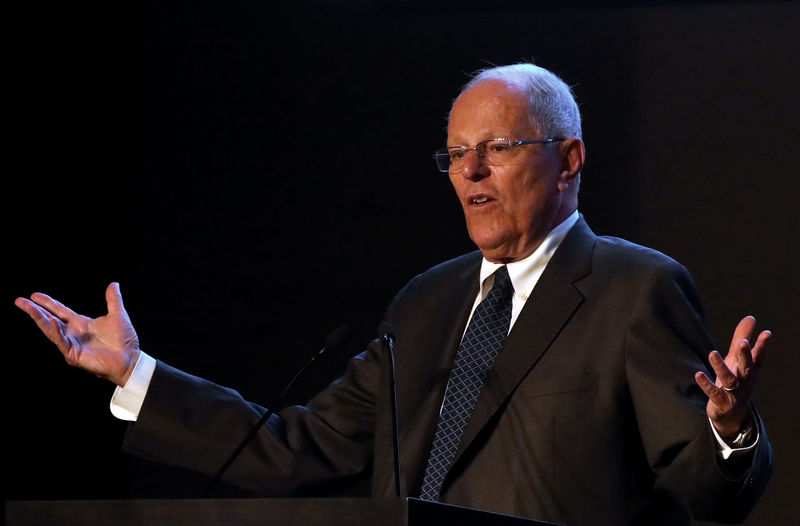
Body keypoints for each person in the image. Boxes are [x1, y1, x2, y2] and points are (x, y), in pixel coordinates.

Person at [15, 64, 772, 526]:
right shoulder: (427, 303)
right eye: (457, 154)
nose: (471, 173)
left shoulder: (634, 287)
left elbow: (711, 494)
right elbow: (297, 450)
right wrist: (133, 376)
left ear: (568, 158)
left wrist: (728, 430)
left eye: (499, 149)